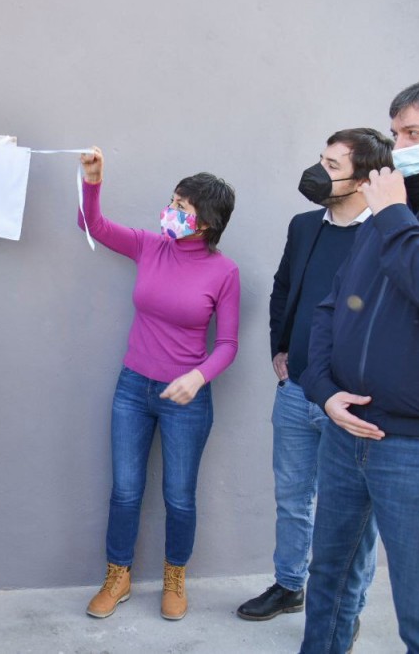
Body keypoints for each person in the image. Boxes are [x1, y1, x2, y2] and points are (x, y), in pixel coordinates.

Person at [300, 77, 419, 654]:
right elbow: (333, 306)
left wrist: (392, 216)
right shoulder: (395, 208)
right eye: (395, 133)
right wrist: (323, 390)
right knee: (329, 584)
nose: (398, 146)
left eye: (412, 133)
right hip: (346, 433)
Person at [236, 129, 393, 628]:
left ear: (363, 180)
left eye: (331, 166)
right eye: (320, 160)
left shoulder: (388, 232)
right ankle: (289, 586)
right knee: (292, 497)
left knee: (352, 514)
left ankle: (347, 610)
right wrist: (279, 347)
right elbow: (284, 288)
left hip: (353, 401)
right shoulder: (305, 226)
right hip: (296, 389)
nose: (317, 173)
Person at [79, 147, 240, 621]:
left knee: (179, 496)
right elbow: (93, 225)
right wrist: (93, 181)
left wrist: (198, 376)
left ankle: (174, 578)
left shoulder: (224, 272)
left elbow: (228, 344)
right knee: (125, 491)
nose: (170, 210)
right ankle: (118, 576)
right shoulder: (150, 246)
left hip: (185, 398)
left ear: (205, 222)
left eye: (181, 206)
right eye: (172, 200)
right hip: (132, 388)